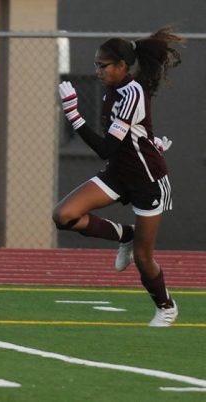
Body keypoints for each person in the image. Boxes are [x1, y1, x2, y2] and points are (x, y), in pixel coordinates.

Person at [53, 27, 182, 327]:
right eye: (96, 65)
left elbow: (106, 147)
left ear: (122, 66)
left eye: (102, 65)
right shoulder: (115, 90)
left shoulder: (132, 92)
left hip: (147, 181)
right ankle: (125, 234)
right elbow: (125, 141)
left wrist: (73, 115)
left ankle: (166, 306)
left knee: (143, 258)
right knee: (64, 215)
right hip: (119, 173)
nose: (97, 70)